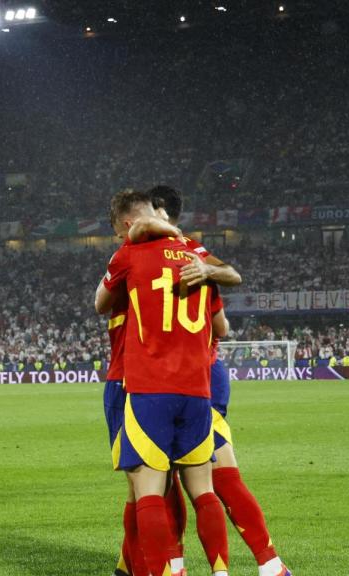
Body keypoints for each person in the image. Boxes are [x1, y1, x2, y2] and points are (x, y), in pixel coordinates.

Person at [148, 186, 291, 576]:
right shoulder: (186, 255)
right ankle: (261, 563)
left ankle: (257, 563)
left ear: (159, 210)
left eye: (145, 211)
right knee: (192, 476)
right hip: (196, 375)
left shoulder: (179, 253)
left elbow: (232, 275)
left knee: (194, 477)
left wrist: (208, 273)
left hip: (190, 378)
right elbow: (222, 325)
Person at [96, 190, 230, 576]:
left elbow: (98, 302)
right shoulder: (196, 256)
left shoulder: (128, 256)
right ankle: (214, 571)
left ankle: (161, 569)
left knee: (145, 490)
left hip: (141, 383)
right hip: (196, 387)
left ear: (128, 226)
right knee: (201, 488)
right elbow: (224, 324)